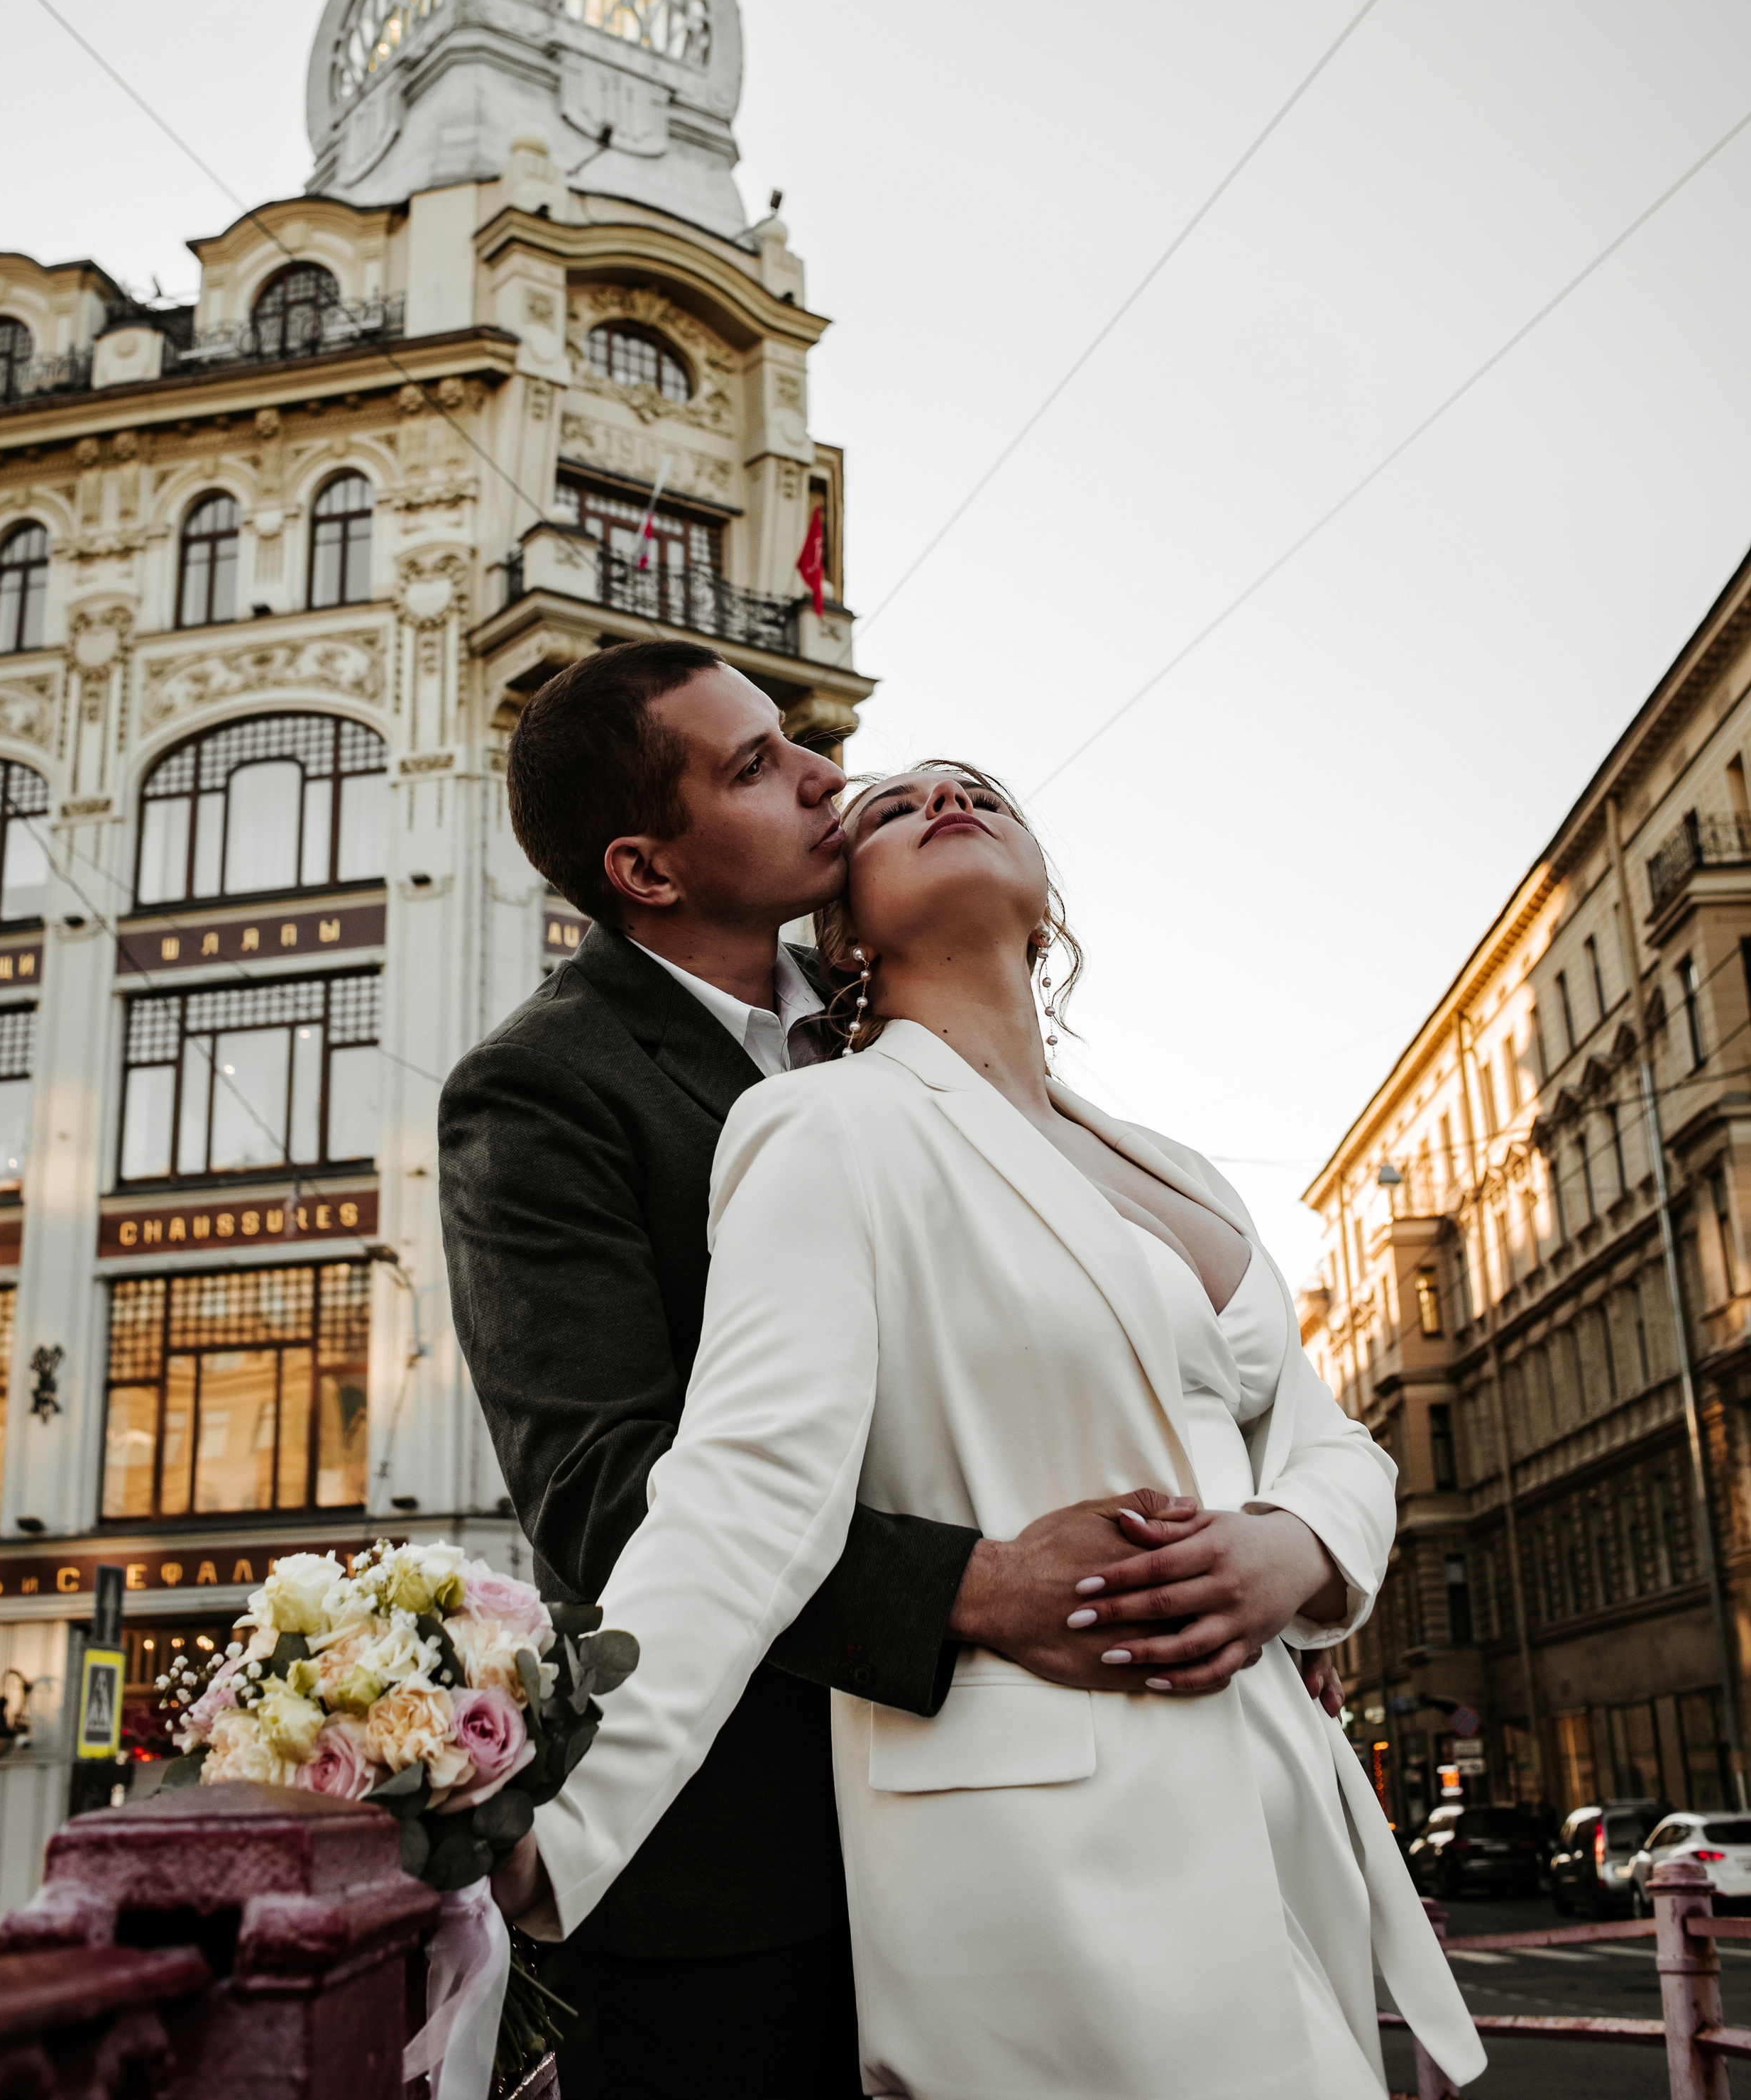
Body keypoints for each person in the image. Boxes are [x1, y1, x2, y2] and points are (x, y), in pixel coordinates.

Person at [496, 758, 1487, 2098]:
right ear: (844, 936)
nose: (944, 798)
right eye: (894, 808)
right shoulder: (822, 1124)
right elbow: (744, 1489)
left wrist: (1298, 1550)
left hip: (1267, 1779)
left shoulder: (1178, 1164)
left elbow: (1330, 1438)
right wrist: (558, 1811)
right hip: (1036, 1827)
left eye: (980, 790)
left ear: (1047, 904)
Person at [440, 651, 1258, 2100]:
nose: (827, 774)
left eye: (797, 740)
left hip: (1035, 1801)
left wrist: (1263, 1550)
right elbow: (602, 1490)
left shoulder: (908, 993)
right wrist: (983, 1587)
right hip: (751, 1860)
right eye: (756, 764)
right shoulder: (543, 1087)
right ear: (644, 868)